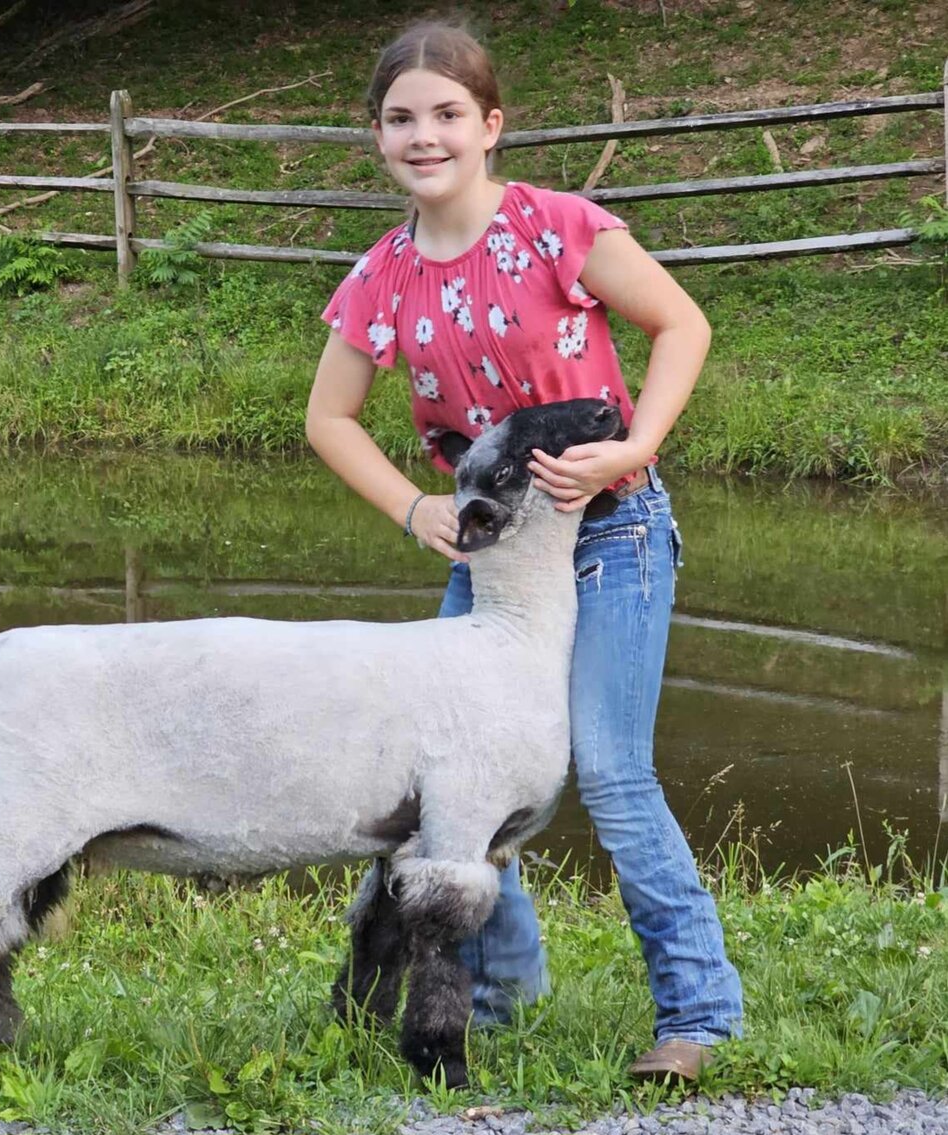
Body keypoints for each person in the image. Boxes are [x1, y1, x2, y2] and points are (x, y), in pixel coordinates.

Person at [305, 22, 743, 1079]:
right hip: (491, 565)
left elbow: (681, 325)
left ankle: (696, 1015)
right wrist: (416, 510)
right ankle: (497, 995)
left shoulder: (558, 229)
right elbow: (329, 419)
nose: (426, 135)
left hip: (613, 532)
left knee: (608, 769)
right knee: (454, 780)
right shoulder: (379, 278)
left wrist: (632, 447)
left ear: (490, 126)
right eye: (402, 118)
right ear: (375, 137)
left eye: (448, 114)